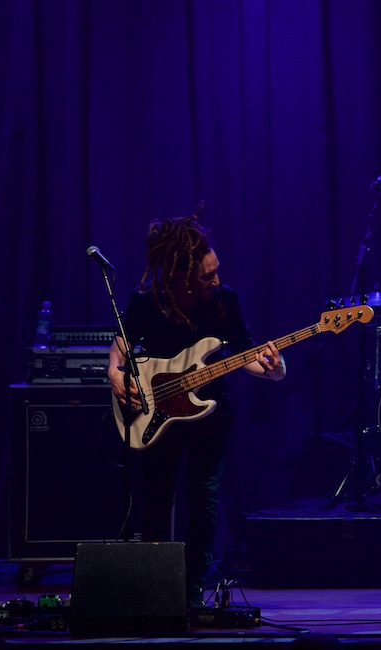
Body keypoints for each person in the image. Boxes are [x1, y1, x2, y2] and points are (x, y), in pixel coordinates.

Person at [108, 213, 286, 608]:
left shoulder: (225, 301)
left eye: (217, 271)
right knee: (156, 498)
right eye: (208, 276)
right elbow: (121, 344)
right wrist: (114, 372)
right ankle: (154, 589)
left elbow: (245, 354)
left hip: (210, 414)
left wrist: (274, 370)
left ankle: (191, 591)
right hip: (153, 413)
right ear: (181, 276)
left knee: (203, 500)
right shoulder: (146, 300)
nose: (216, 281)